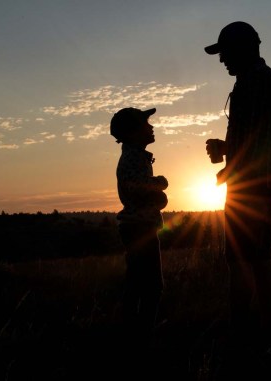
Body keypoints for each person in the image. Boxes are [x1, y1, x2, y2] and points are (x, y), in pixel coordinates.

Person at [204, 21, 271, 351]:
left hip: (252, 187)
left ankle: (240, 333)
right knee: (257, 257)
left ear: (243, 49)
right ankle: (267, 327)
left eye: (224, 52)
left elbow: (257, 145)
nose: (221, 59)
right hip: (260, 183)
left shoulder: (255, 83)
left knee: (241, 259)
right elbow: (259, 137)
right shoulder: (259, 81)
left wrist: (227, 172)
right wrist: (226, 150)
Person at [110, 107, 168, 343]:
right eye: (146, 124)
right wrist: (160, 184)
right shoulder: (134, 157)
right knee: (152, 285)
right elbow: (136, 186)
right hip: (139, 228)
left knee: (139, 282)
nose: (151, 127)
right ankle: (142, 333)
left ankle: (134, 330)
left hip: (138, 226)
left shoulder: (136, 155)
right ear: (133, 133)